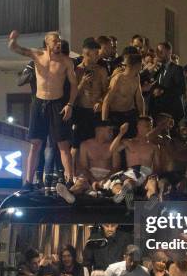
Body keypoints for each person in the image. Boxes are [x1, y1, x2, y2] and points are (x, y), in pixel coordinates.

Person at [8, 30, 78, 191]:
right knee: (35, 144)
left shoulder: (66, 62)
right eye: (54, 41)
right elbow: (16, 49)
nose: (58, 43)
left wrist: (70, 105)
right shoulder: (37, 55)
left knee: (63, 145)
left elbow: (74, 85)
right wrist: (13, 41)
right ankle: (28, 182)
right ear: (47, 43)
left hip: (58, 104)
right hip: (39, 103)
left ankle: (69, 181)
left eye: (59, 41)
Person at [57, 121, 121, 203]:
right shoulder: (85, 145)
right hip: (90, 175)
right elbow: (83, 167)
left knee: (116, 185)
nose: (112, 133)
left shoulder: (114, 145)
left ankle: (120, 194)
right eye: (109, 130)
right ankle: (70, 194)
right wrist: (93, 181)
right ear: (99, 130)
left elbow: (116, 168)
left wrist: (104, 180)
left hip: (108, 176)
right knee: (80, 183)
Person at [71, 39, 109, 176]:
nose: (98, 57)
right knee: (76, 144)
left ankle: (93, 176)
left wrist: (100, 100)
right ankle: (72, 175)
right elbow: (72, 95)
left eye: (98, 54)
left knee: (96, 143)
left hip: (96, 112)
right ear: (86, 53)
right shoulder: (77, 70)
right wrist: (81, 84)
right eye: (95, 54)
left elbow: (107, 91)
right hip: (81, 111)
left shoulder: (101, 70)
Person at [148, 114, 187, 199]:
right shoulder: (167, 142)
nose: (185, 133)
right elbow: (149, 137)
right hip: (164, 177)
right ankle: (161, 208)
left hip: (181, 178)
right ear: (178, 130)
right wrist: (163, 125)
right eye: (183, 129)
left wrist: (186, 180)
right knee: (164, 186)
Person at [106, 117, 160, 205]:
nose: (148, 128)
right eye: (145, 125)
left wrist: (152, 176)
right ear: (138, 127)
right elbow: (112, 150)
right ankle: (130, 207)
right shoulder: (129, 142)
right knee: (128, 183)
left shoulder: (154, 146)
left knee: (152, 185)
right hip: (132, 174)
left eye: (150, 126)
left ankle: (151, 205)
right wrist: (121, 133)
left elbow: (158, 167)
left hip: (147, 174)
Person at [101, 53, 145, 138]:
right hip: (116, 116)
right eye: (141, 64)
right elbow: (107, 101)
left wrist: (142, 117)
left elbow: (139, 98)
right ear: (137, 65)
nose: (142, 66)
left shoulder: (137, 77)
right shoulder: (118, 79)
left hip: (130, 114)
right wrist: (105, 123)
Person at [148, 42, 186, 124]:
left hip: (171, 113)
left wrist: (163, 91)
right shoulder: (158, 69)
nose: (158, 54)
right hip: (157, 113)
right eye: (157, 51)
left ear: (169, 52)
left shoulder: (177, 69)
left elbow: (181, 89)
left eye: (161, 51)